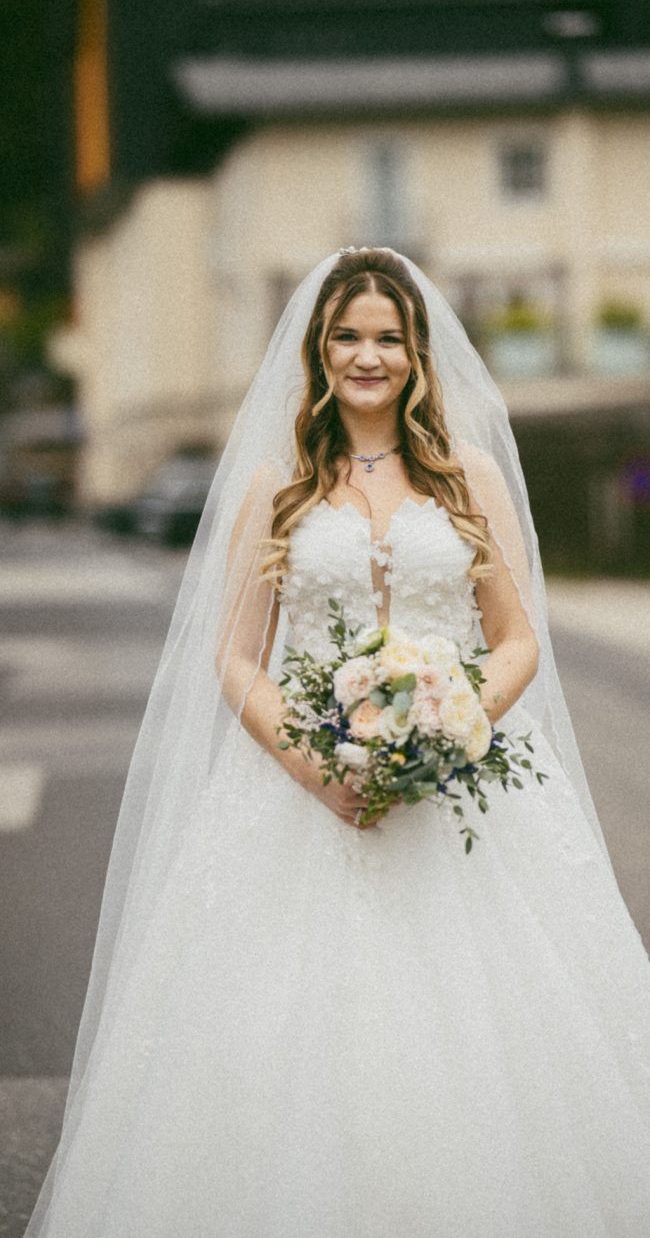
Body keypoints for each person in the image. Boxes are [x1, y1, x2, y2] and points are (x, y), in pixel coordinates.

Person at [25, 249, 650, 1237]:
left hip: (462, 788)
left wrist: (449, 730)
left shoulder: (467, 475)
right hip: (295, 791)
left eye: (387, 337)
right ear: (317, 350)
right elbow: (236, 658)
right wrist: (313, 769)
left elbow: (518, 636)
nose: (368, 355)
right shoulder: (277, 483)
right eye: (347, 335)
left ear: (416, 352)